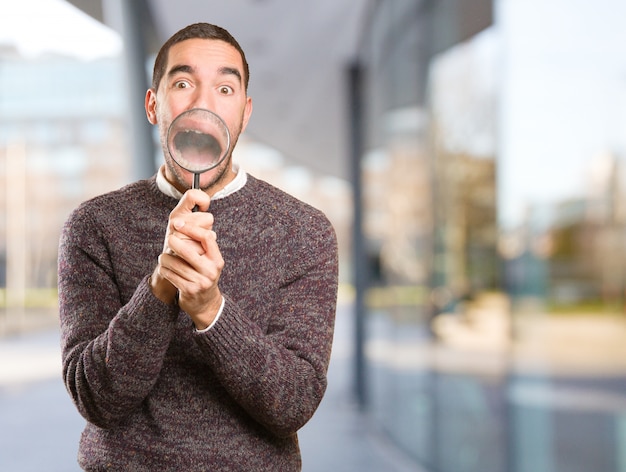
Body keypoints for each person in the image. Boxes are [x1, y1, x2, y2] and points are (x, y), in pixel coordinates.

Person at [58, 22, 338, 471]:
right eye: (183, 83)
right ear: (153, 106)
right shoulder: (93, 226)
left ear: (244, 114)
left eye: (224, 88)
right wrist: (159, 289)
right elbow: (98, 400)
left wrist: (211, 311)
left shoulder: (304, 232)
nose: (203, 103)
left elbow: (293, 404)